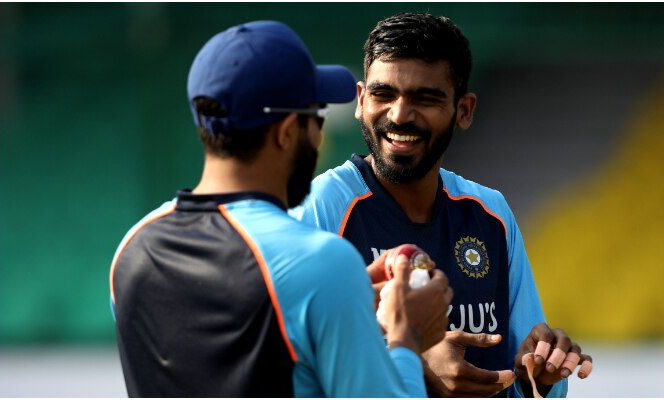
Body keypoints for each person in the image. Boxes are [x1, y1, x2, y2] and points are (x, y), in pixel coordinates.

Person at [109, 20, 453, 397]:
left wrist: (344, 297)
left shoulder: (133, 248)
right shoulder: (321, 262)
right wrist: (408, 335)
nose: (319, 135)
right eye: (315, 117)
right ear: (287, 131)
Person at [290, 12, 593, 398]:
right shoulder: (322, 207)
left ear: (464, 110)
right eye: (384, 95)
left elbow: (529, 375)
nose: (399, 114)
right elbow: (291, 369)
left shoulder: (491, 213)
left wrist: (543, 372)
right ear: (361, 100)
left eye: (425, 98)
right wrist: (416, 363)